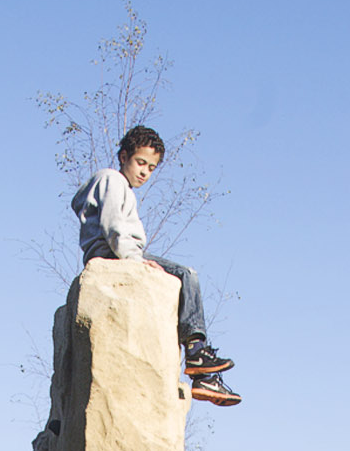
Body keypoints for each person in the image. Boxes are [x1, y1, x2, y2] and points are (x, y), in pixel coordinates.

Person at [71, 125, 240, 409]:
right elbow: (113, 226)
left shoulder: (120, 185)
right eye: (140, 162)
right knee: (186, 275)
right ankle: (197, 352)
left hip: (119, 253)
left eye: (151, 167)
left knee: (178, 286)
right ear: (123, 156)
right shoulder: (111, 179)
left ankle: (203, 378)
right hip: (115, 255)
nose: (144, 172)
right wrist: (134, 261)